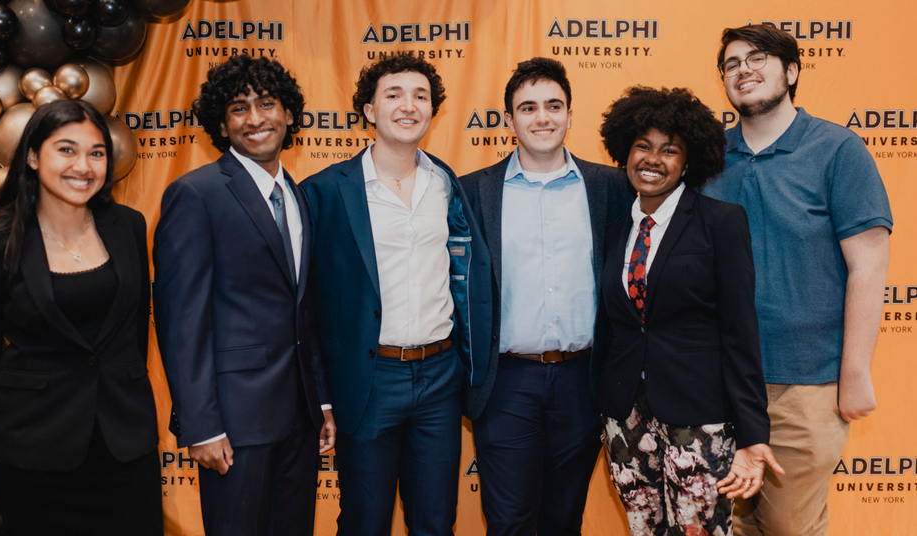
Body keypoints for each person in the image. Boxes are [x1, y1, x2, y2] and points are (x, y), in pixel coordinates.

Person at [704, 24, 892, 536]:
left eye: (757, 58)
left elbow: (869, 265)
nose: (743, 69)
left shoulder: (837, 150)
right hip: (718, 381)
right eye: (731, 63)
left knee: (790, 527)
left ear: (790, 71)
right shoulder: (709, 160)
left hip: (805, 384)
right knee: (723, 525)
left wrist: (854, 371)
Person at [300, 54, 492, 536]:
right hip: (367, 380)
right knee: (365, 522)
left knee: (435, 521)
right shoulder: (324, 191)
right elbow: (306, 309)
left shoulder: (448, 186)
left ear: (433, 110)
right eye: (394, 95)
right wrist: (321, 395)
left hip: (439, 378)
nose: (409, 106)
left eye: (421, 96)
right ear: (369, 110)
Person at [0, 100, 161, 536]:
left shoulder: (128, 226)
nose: (83, 166)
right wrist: (22, 421)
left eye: (96, 152)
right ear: (32, 156)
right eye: (66, 150)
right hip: (32, 452)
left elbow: (132, 337)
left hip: (124, 444)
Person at [152, 55, 335, 536]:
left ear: (290, 114)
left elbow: (304, 310)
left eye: (267, 104)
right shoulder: (195, 194)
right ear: (221, 122)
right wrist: (201, 426)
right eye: (238, 108)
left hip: (299, 417)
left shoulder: (297, 194)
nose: (255, 119)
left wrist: (323, 402)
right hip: (233, 424)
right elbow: (180, 320)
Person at [597, 86, 784, 535]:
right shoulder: (616, 230)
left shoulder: (721, 222)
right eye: (643, 146)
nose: (653, 159)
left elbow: (740, 332)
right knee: (644, 529)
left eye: (670, 150)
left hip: (701, 418)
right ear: (625, 151)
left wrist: (753, 433)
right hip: (625, 418)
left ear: (689, 162)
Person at [458, 57, 633, 536]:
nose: (543, 118)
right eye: (528, 107)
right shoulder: (473, 192)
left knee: (563, 520)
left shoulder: (612, 187)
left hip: (585, 379)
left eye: (554, 106)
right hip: (507, 381)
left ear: (571, 115)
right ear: (509, 120)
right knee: (510, 521)